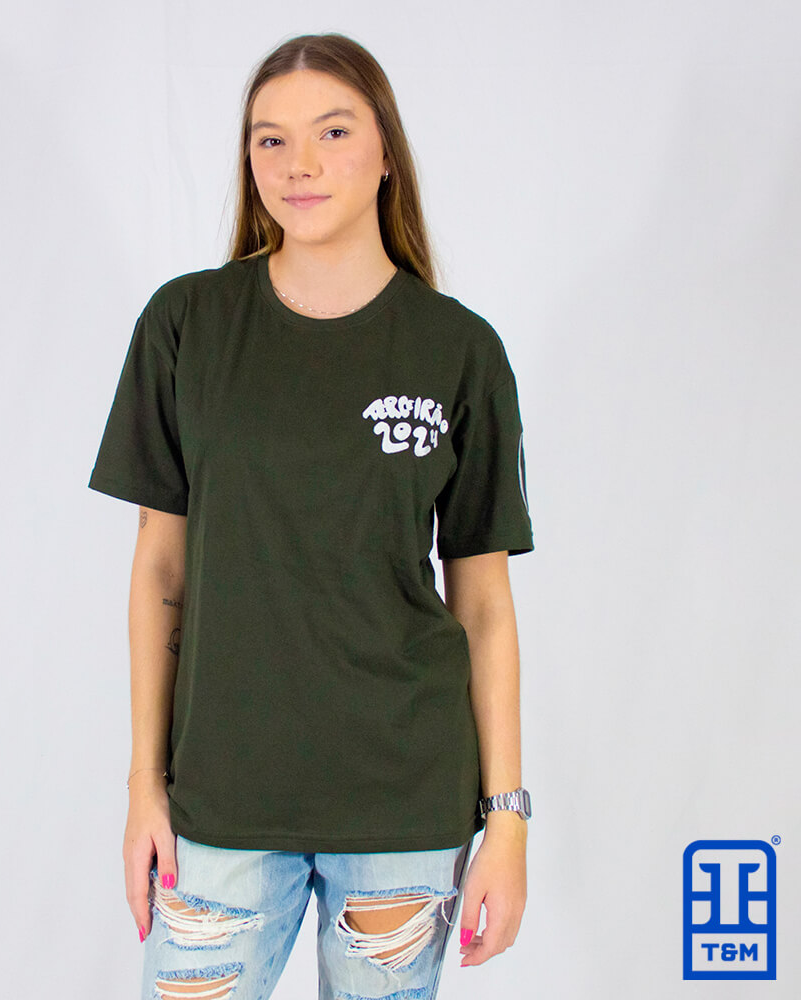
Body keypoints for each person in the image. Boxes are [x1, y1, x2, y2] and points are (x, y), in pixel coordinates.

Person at [89, 32, 535, 1000]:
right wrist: (143, 785)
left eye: (332, 132)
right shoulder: (187, 325)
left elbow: (483, 603)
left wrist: (507, 817)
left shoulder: (458, 350)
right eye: (270, 139)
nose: (299, 164)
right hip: (220, 802)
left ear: (386, 153)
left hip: (403, 801)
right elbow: (160, 571)